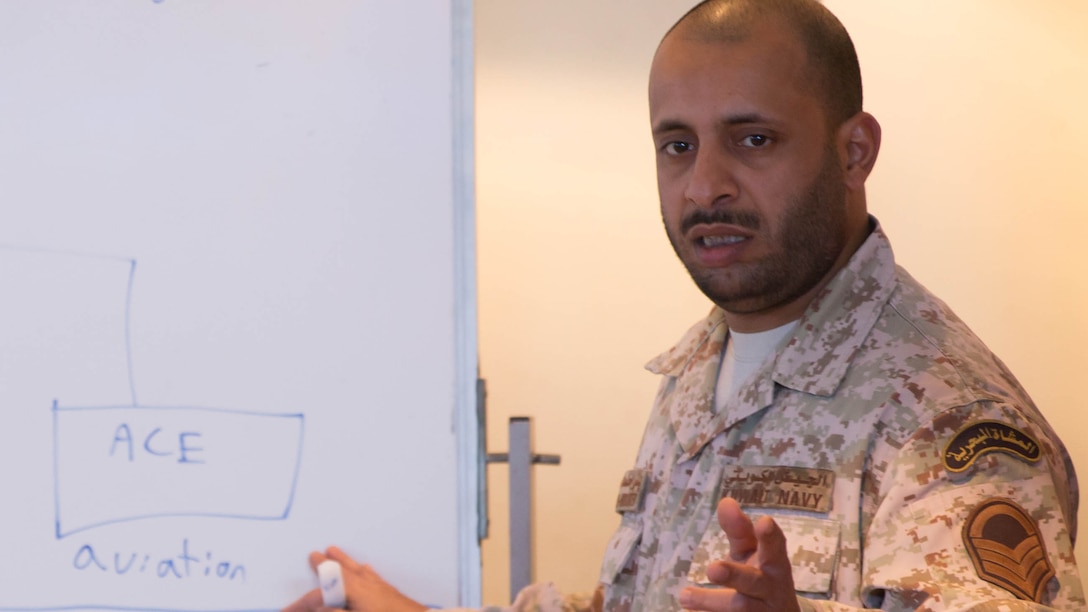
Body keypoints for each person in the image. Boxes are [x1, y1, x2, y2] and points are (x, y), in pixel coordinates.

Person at [283, 0, 1084, 610]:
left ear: (854, 151)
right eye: (677, 145)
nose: (705, 185)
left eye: (753, 139)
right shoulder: (701, 366)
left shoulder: (954, 425)